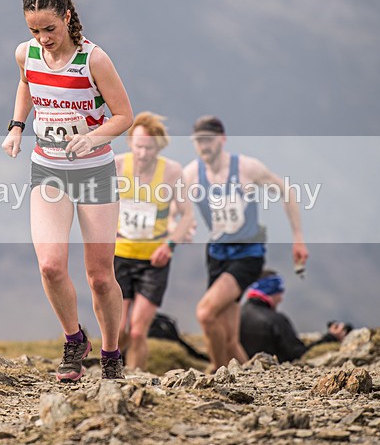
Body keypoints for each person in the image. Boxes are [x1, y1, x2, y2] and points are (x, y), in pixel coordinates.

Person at [1, 0, 133, 381]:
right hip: (48, 168)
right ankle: (74, 340)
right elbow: (27, 84)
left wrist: (92, 138)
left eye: (50, 29)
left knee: (100, 276)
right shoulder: (26, 54)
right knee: (51, 266)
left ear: (68, 17)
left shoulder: (94, 60)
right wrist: (17, 126)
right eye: (34, 30)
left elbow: (124, 116)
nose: (43, 38)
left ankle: (111, 354)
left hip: (94, 172)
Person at [182, 115, 309, 372]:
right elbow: (177, 208)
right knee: (229, 337)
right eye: (198, 141)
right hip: (217, 254)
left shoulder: (246, 169)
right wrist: (185, 226)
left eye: (208, 140)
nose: (204, 146)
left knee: (206, 313)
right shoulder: (191, 174)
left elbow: (287, 192)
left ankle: (217, 374)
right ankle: (252, 379)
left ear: (222, 139)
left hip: (247, 254)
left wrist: (298, 237)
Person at [114, 112, 195, 371]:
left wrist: (169, 246)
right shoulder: (116, 165)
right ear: (130, 142)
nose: (142, 153)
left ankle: (135, 379)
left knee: (138, 331)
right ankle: (113, 374)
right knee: (118, 330)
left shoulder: (171, 171)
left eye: (149, 148)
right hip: (119, 256)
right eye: (138, 146)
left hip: (153, 260)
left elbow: (187, 215)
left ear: (158, 147)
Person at [239, 271, 349, 363]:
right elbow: (298, 353)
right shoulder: (276, 320)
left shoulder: (237, 315)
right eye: (280, 293)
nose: (281, 299)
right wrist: (331, 337)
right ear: (272, 291)